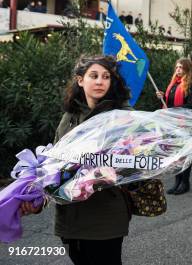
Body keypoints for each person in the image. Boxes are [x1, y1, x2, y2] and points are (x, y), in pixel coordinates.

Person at [20, 55, 133, 264]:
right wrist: (39, 198)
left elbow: (132, 165)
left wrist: (101, 171)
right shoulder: (69, 116)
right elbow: (52, 165)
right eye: (94, 75)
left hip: (104, 218)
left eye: (106, 76)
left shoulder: (122, 117)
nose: (100, 81)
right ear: (80, 80)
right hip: (69, 218)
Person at [156, 58, 192, 195]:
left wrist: (172, 111)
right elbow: (168, 104)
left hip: (185, 125)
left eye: (181, 67)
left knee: (185, 154)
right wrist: (162, 96)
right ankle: (177, 181)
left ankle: (185, 182)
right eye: (176, 67)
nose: (178, 69)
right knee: (176, 155)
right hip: (173, 124)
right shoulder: (174, 85)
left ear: (187, 69)